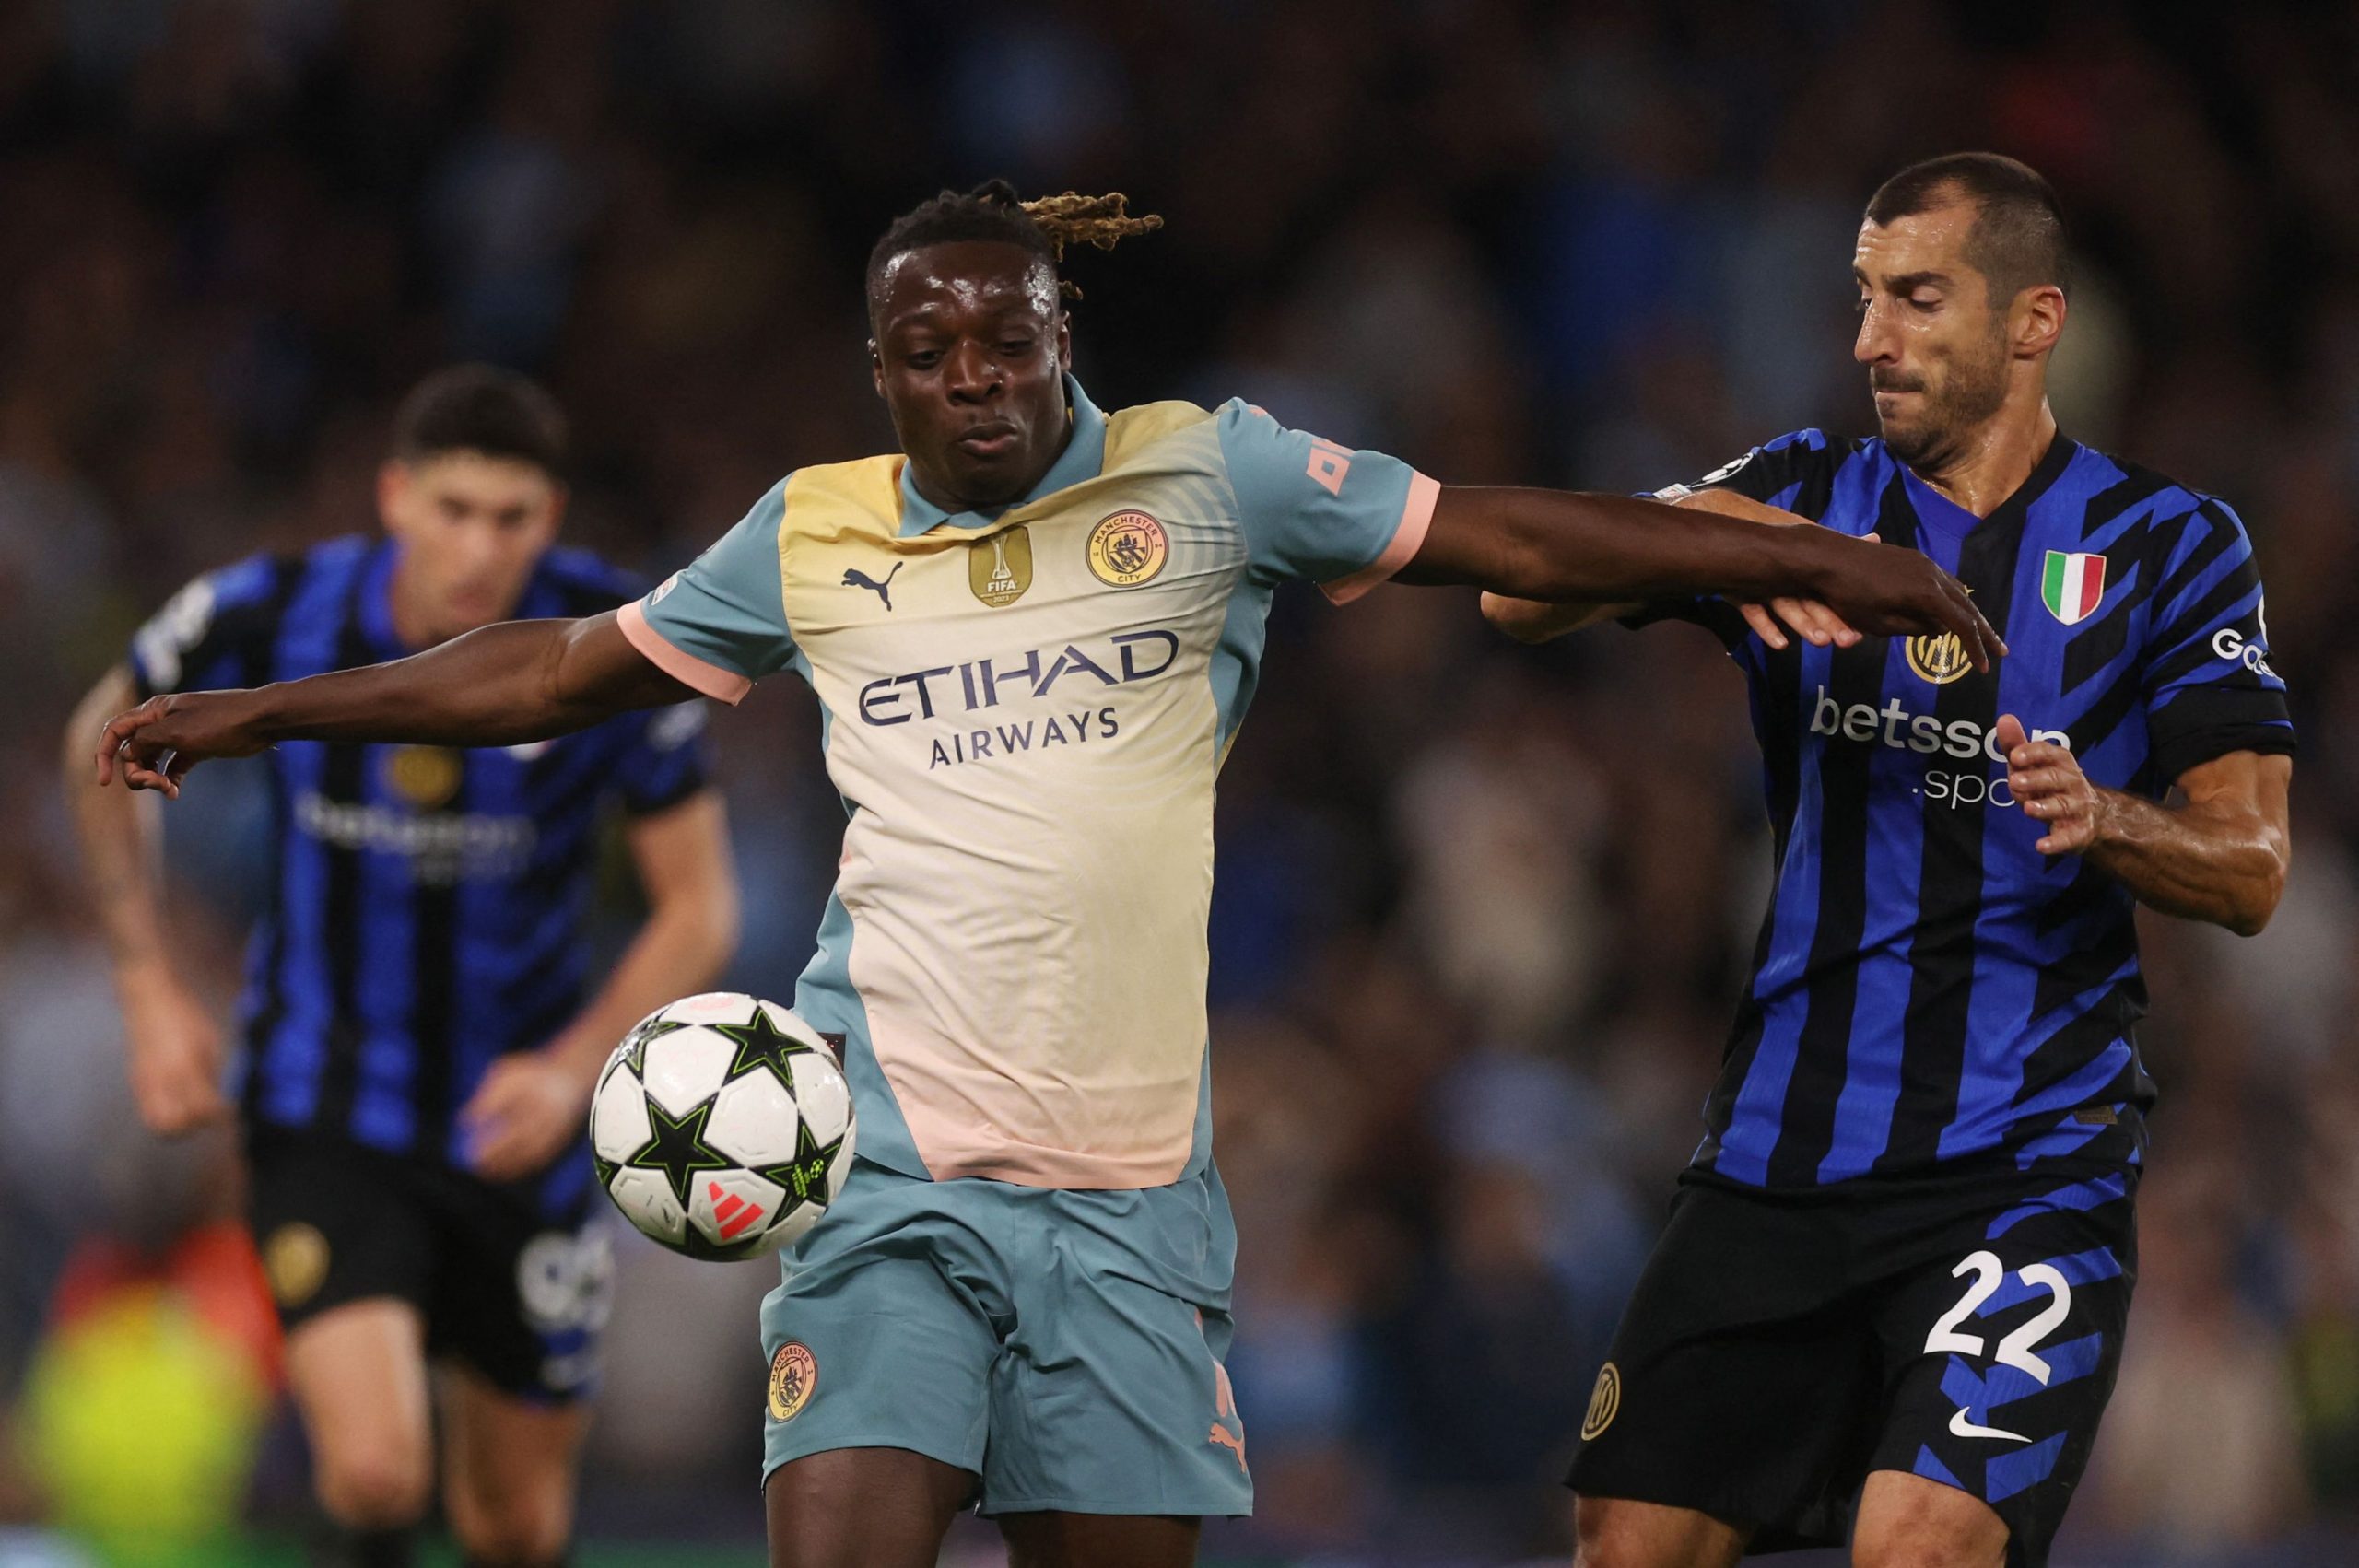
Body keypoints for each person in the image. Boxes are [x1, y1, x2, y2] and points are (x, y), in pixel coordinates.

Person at [95, 182, 1995, 1568]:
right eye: (927, 351)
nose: (972, 377)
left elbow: (1505, 534)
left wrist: (1818, 559)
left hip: (1129, 1200)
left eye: (1005, 338)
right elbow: (552, 672)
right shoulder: (810, 531)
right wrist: (267, 712)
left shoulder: (1214, 476)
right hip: (885, 1170)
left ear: (1058, 336)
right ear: (880, 370)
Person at [1485, 153, 2296, 1568]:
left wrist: (2107, 816)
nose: (1871, 338)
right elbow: (1514, 592)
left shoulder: (2170, 545)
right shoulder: (1806, 491)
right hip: (1778, 1152)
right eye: (1864, 298)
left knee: (1918, 1542)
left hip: (2024, 1160)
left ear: (2034, 322)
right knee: (1625, 1542)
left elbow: (2251, 862)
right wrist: (1733, 537)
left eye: (1918, 298)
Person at [65, 366, 740, 1568]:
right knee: (375, 1470)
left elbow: (700, 907)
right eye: (454, 509)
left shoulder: (613, 643)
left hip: (521, 1122)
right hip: (326, 1103)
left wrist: (571, 1069)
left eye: (511, 517)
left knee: (514, 1526)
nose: (480, 547)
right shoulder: (272, 609)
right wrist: (148, 988)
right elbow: (97, 737)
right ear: (395, 497)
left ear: (551, 516)